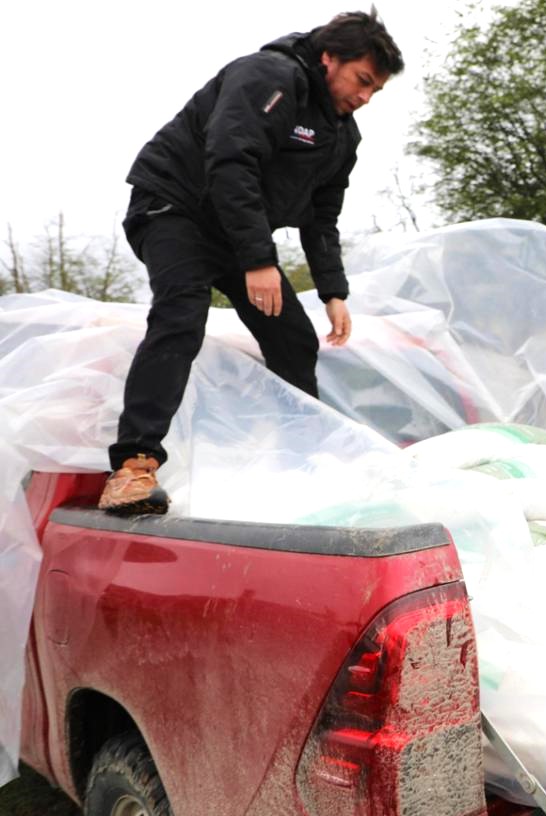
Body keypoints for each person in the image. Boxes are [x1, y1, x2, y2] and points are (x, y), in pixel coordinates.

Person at [98, 11, 404, 515]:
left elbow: (322, 217)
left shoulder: (342, 136)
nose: (365, 97)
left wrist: (334, 291)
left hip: (236, 232)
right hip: (176, 206)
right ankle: (133, 467)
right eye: (362, 80)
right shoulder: (269, 75)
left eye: (376, 91)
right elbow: (230, 158)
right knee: (181, 314)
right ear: (330, 58)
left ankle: (304, 459)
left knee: (293, 337)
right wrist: (258, 259)